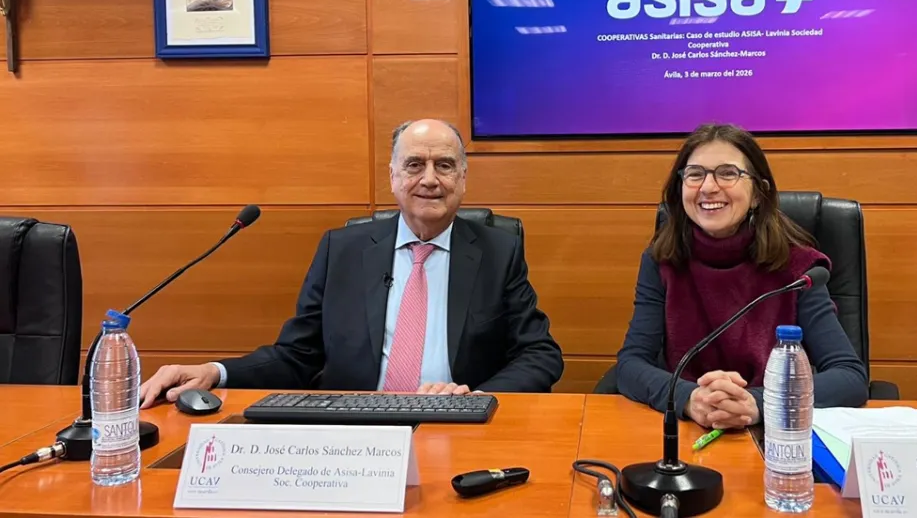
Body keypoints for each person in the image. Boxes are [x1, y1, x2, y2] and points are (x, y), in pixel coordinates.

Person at [140, 118, 564, 406]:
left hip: (458, 425)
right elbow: (297, 355)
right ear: (393, 177)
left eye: (445, 166)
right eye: (414, 165)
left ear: (463, 179)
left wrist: (477, 398)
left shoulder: (498, 251)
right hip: (351, 428)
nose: (430, 179)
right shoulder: (340, 250)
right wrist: (215, 372)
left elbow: (540, 354)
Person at [615, 123, 867, 430]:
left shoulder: (799, 268)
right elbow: (630, 364)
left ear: (758, 194)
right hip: (684, 431)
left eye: (727, 173)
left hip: (774, 433)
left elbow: (849, 375)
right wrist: (688, 397)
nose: (708, 187)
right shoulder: (662, 261)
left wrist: (758, 402)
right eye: (695, 174)